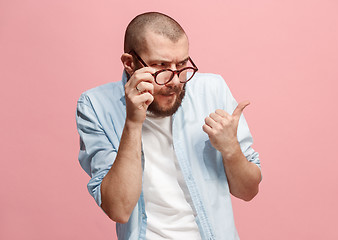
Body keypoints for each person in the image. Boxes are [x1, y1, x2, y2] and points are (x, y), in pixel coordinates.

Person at [76, 12, 261, 240]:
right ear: (129, 63)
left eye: (182, 64)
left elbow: (249, 191)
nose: (175, 81)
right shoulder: (94, 106)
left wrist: (231, 149)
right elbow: (119, 209)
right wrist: (133, 123)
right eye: (161, 66)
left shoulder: (212, 90)